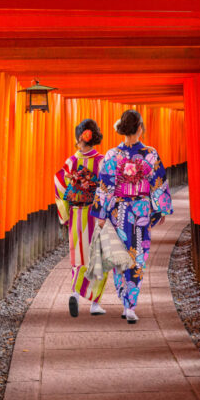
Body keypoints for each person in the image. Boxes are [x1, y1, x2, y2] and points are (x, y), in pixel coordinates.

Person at [91, 110, 173, 324]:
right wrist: (160, 208)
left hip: (119, 211)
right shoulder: (150, 154)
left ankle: (125, 301)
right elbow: (158, 182)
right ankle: (130, 305)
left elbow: (105, 186)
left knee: (121, 256)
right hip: (141, 211)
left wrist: (102, 213)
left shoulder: (111, 155)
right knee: (137, 257)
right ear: (140, 128)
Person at [54, 119, 109, 317]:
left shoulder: (71, 162)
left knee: (79, 254)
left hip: (77, 214)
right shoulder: (102, 161)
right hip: (96, 214)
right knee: (100, 256)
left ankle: (75, 293)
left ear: (79, 137)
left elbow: (60, 185)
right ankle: (95, 304)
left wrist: (65, 213)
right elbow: (106, 188)